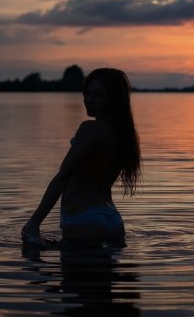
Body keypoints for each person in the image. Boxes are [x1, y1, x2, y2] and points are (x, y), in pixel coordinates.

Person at [21, 67, 141, 245]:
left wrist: (35, 221)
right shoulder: (124, 135)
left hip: (83, 217)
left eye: (98, 95)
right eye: (87, 93)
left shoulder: (90, 130)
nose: (89, 100)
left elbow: (62, 177)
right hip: (112, 219)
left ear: (113, 99)